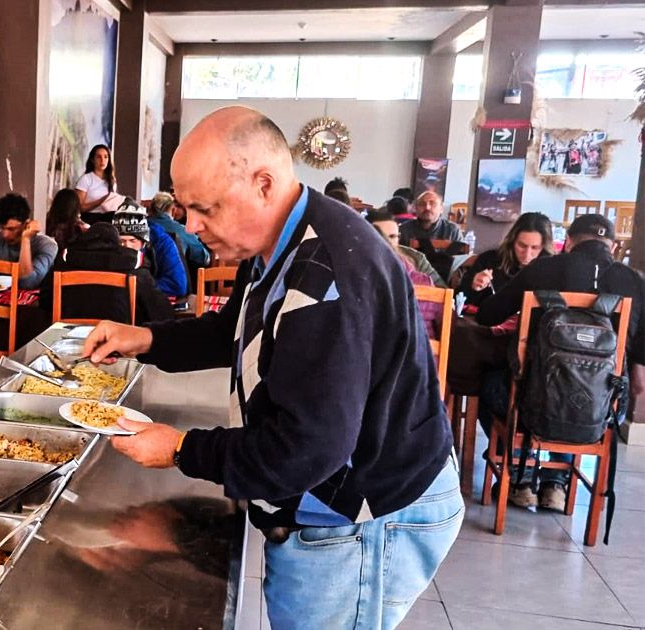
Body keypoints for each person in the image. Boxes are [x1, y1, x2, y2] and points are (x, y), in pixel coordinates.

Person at [81, 106, 461, 629]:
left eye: (204, 209)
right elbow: (232, 330)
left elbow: (308, 449)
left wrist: (180, 449)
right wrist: (144, 337)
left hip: (361, 517)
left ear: (264, 183)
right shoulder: (276, 242)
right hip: (328, 498)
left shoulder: (325, 276)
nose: (191, 226)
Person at [477, 215, 645, 510]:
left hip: (531, 401)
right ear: (614, 246)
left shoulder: (543, 268)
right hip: (603, 410)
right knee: (576, 399)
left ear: (567, 241)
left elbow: (487, 315)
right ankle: (556, 486)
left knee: (490, 385)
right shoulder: (634, 281)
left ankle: (520, 477)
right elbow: (640, 361)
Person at [38, 223, 174, 325]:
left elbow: (45, 301)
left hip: (68, 337)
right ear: (117, 243)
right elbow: (160, 311)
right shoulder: (134, 263)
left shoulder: (66, 259)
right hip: (120, 340)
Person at [459, 212, 554, 308]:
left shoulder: (552, 270)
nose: (527, 254)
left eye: (535, 247)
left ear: (544, 247)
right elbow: (457, 300)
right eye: (522, 245)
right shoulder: (489, 260)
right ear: (512, 241)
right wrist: (473, 286)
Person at [112, 201, 189, 298]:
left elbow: (177, 285)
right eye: (121, 241)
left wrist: (133, 286)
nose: (127, 246)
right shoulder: (109, 244)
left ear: (144, 240)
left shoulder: (162, 243)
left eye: (133, 240)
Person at [0, 193, 58, 289]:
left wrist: (25, 239)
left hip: (34, 302)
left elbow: (28, 283)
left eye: (11, 229)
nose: (4, 234)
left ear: (26, 224)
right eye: (2, 228)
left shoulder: (47, 245)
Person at [366, 209, 445, 287]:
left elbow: (442, 290)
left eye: (393, 236)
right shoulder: (358, 260)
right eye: (381, 236)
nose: (388, 242)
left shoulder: (416, 258)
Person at [148, 191, 211, 270]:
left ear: (150, 209)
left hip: (143, 280)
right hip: (176, 279)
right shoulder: (183, 231)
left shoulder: (141, 228)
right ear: (173, 210)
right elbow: (204, 259)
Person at [75, 144, 120, 223]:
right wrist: (101, 201)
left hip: (110, 218)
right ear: (92, 160)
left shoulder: (112, 180)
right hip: (90, 219)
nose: (102, 160)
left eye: (106, 157)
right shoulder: (86, 179)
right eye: (99, 157)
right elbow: (80, 208)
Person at [398, 190, 463, 244]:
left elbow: (460, 258)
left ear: (441, 208)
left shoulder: (452, 230)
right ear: (416, 208)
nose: (427, 208)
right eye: (422, 204)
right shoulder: (404, 230)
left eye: (432, 203)